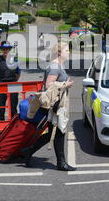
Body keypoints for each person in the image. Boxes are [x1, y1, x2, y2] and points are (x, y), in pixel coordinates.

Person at [21, 42, 76, 171]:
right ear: (59, 52)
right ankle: (61, 163)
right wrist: (65, 85)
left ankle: (28, 152)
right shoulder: (55, 66)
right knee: (59, 132)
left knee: (54, 132)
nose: (69, 52)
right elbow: (49, 85)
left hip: (58, 103)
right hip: (54, 105)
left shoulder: (58, 65)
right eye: (67, 50)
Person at [0, 41, 21, 125]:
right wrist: (0, 81)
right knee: (1, 107)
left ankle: (14, 126)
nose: (5, 51)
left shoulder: (14, 59)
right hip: (1, 84)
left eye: (7, 49)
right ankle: (0, 127)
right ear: (2, 50)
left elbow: (18, 72)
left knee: (13, 107)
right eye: (4, 49)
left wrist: (14, 81)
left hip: (12, 83)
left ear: (9, 50)